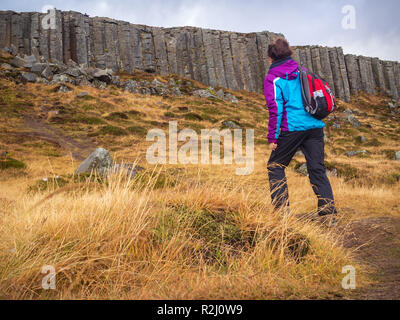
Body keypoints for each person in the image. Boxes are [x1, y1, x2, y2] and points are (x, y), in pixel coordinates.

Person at [264, 38, 338, 226]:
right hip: (315, 127)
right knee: (317, 168)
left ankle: (281, 215)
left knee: (275, 165)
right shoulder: (301, 71)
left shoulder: (273, 78)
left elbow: (275, 109)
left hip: (293, 128)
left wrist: (273, 137)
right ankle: (328, 214)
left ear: (271, 58)